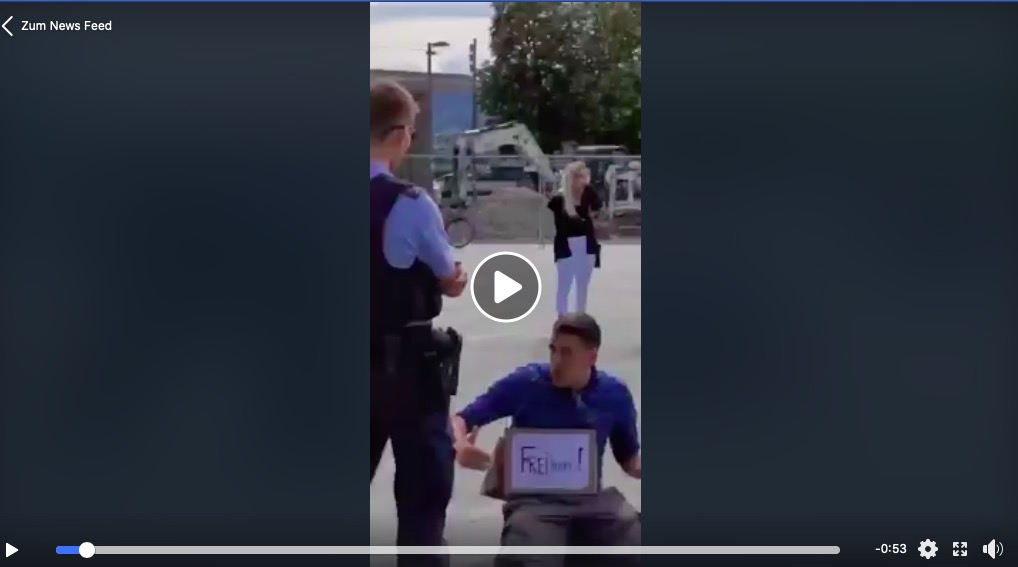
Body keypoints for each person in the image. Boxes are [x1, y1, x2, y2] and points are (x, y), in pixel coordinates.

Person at [451, 313, 641, 566]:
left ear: (591, 356)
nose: (556, 361)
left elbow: (630, 461)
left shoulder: (613, 394)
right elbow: (461, 419)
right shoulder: (526, 383)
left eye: (567, 353)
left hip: (592, 501)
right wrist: (460, 445)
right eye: (553, 350)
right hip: (534, 504)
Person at [370, 79, 468, 565]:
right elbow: (450, 277)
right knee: (422, 503)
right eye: (409, 130)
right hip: (405, 367)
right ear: (395, 134)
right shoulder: (409, 204)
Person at [548, 162, 602, 317]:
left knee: (582, 285)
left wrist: (592, 219)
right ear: (571, 178)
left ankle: (580, 315)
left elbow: (598, 209)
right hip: (566, 245)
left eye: (585, 176)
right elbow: (555, 224)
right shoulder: (559, 199)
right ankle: (562, 316)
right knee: (565, 284)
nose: (584, 180)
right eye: (580, 176)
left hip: (586, 243)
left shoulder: (588, 192)